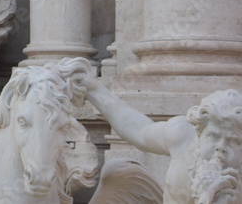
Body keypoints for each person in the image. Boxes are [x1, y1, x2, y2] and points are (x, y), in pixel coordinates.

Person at [81, 76, 242, 204]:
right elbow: (140, 131)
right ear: (200, 131)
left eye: (234, 141)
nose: (221, 147)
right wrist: (94, 89)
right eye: (213, 136)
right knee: (116, 169)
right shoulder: (183, 135)